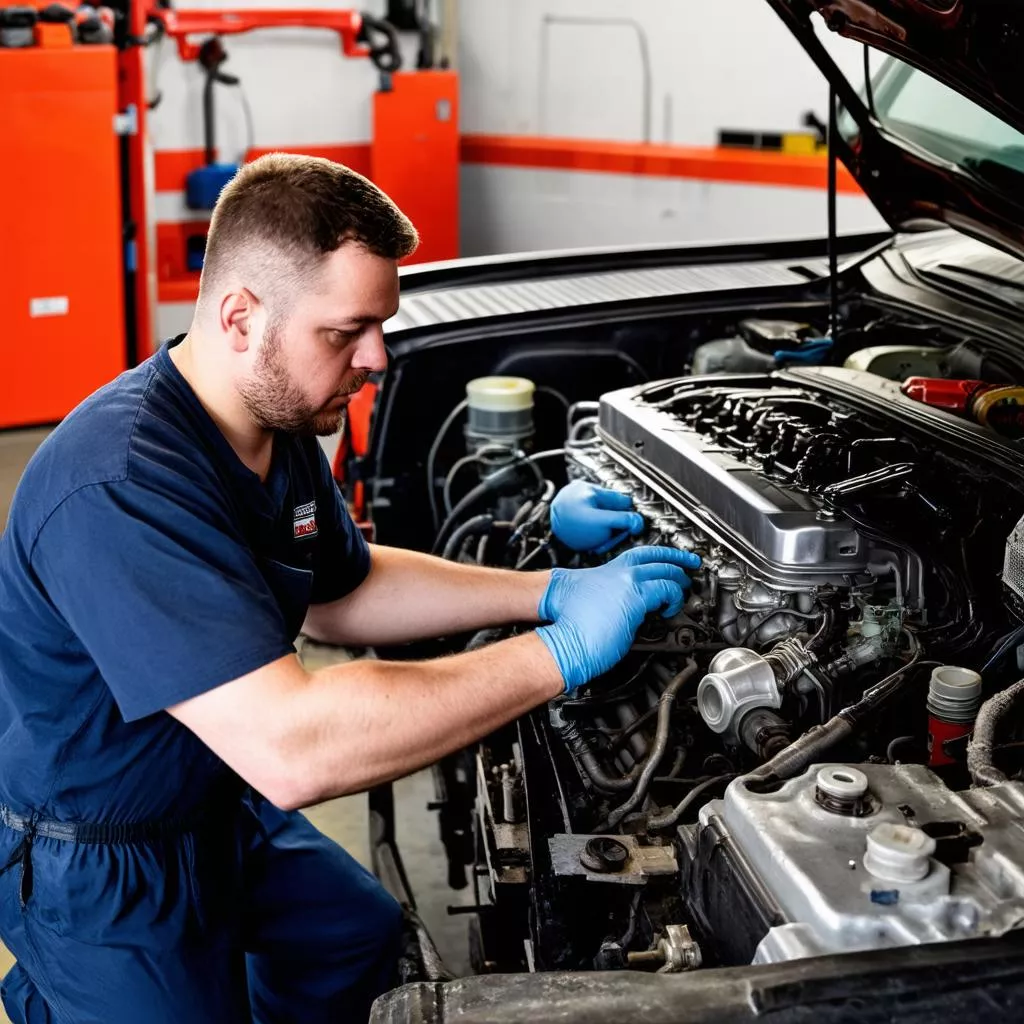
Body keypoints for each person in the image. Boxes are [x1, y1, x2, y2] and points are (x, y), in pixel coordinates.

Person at [0, 154, 699, 1023]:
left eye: (381, 324)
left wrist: (548, 589)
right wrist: (555, 655)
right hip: (109, 859)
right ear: (241, 317)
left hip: (216, 801)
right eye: (347, 330)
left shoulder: (277, 420)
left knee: (355, 934)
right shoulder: (121, 484)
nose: (377, 355)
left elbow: (346, 590)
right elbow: (295, 748)